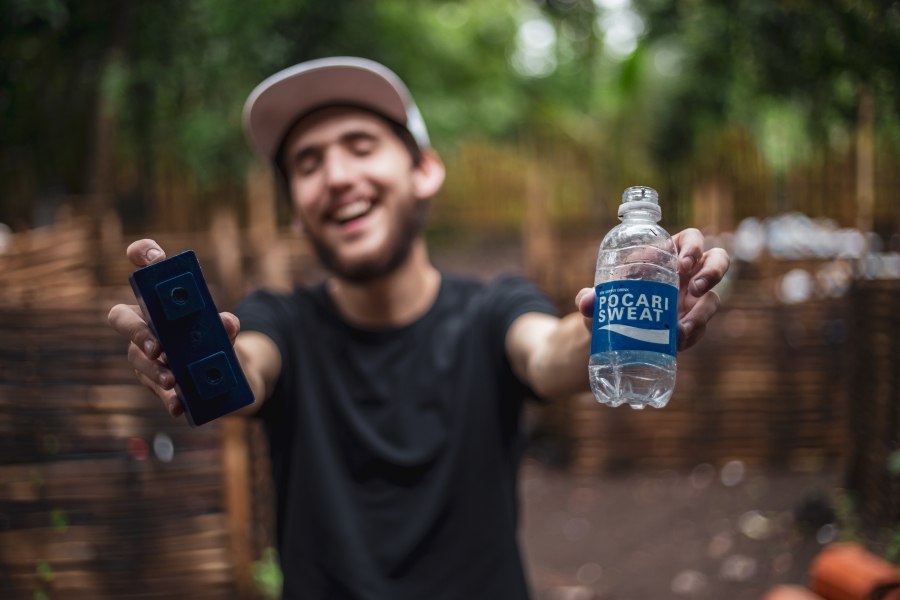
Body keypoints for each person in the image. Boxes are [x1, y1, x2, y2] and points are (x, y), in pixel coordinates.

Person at [108, 57, 729, 599]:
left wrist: (620, 322)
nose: (337, 176)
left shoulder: (494, 309)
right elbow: (250, 367)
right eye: (307, 163)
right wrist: (193, 352)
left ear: (425, 171)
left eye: (359, 145)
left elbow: (548, 351)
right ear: (297, 211)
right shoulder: (280, 321)